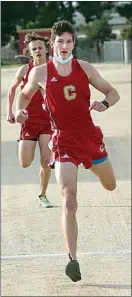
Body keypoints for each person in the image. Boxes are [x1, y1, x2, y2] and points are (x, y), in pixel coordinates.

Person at [15, 20, 120, 282]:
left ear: (74, 43)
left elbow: (112, 92)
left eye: (69, 41)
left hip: (89, 136)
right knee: (68, 199)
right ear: (52, 44)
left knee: (110, 185)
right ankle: (72, 258)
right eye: (59, 41)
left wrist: (104, 103)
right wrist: (19, 111)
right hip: (62, 141)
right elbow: (23, 94)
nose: (64, 46)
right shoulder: (40, 73)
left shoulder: (84, 68)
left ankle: (94, 166)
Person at [6, 33, 53, 208]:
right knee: (25, 162)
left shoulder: (53, 68)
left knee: (46, 159)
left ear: (47, 49)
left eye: (41, 47)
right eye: (34, 49)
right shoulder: (25, 70)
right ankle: (24, 144)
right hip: (28, 121)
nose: (38, 51)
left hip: (48, 122)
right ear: (29, 52)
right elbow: (12, 90)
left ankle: (43, 195)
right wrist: (10, 112)